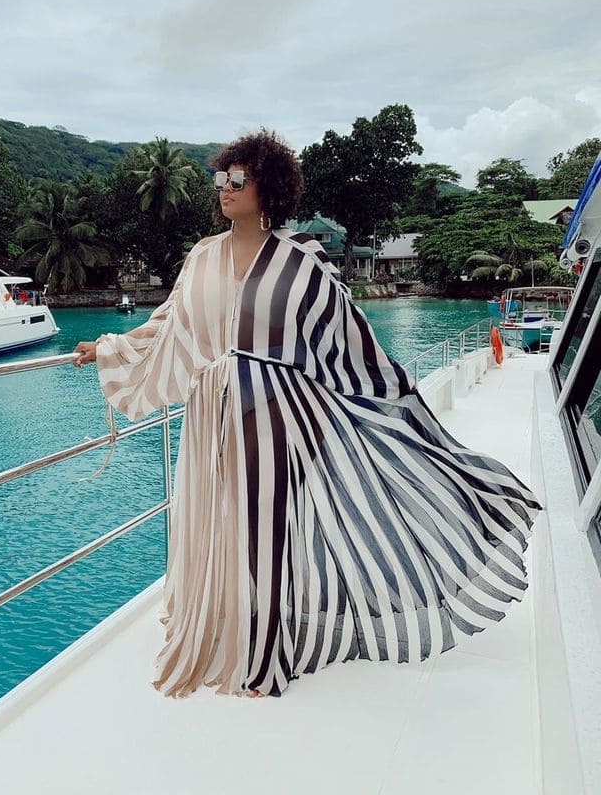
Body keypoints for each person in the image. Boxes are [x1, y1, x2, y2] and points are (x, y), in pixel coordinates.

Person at [73, 129, 541, 699]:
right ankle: (221, 623)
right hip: (210, 414)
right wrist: (111, 348)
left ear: (267, 187)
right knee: (215, 520)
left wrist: (398, 400)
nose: (224, 188)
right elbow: (170, 328)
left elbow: (348, 340)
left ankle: (265, 655)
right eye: (220, 178)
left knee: (266, 533)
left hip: (277, 413)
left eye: (237, 179)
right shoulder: (202, 256)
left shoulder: (304, 262)